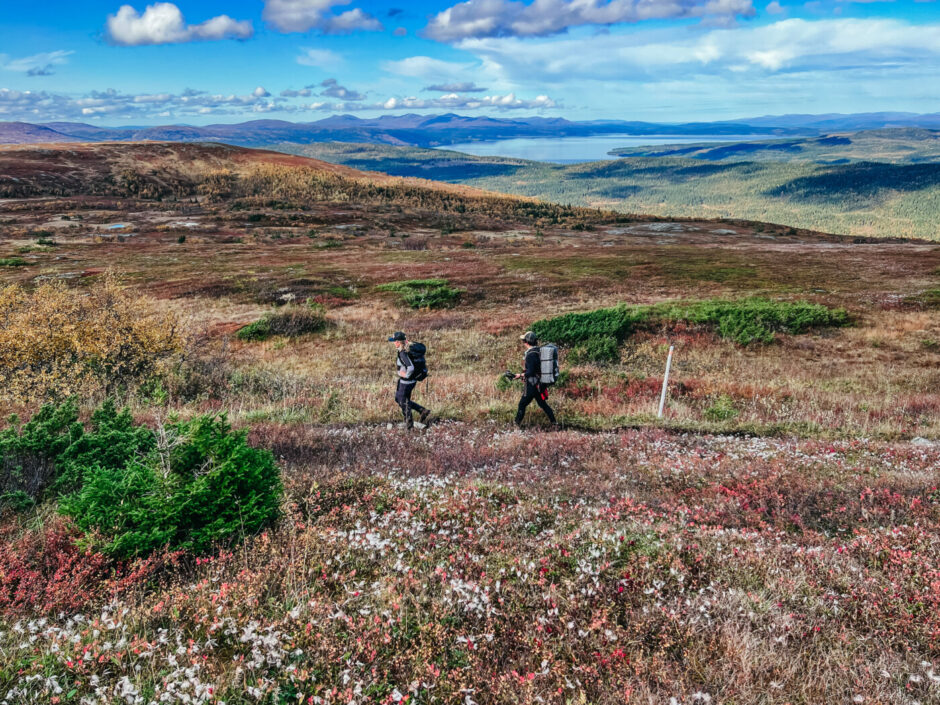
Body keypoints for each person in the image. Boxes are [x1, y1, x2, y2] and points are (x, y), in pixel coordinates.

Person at [513, 331, 557, 428]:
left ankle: (515, 425)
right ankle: (554, 423)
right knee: (543, 404)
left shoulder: (530, 354)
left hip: (532, 385)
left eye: (523, 340)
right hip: (539, 384)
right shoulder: (538, 351)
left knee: (522, 404)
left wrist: (520, 375)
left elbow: (531, 371)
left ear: (526, 342)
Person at [388, 331, 431, 429]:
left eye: (394, 341)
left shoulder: (403, 353)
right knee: (399, 399)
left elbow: (410, 367)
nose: (394, 343)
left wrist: (405, 375)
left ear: (398, 342)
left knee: (403, 401)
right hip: (411, 381)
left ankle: (409, 424)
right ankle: (422, 410)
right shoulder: (407, 348)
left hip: (406, 382)